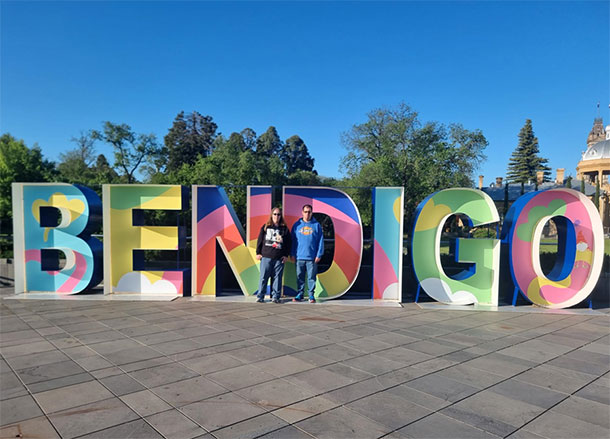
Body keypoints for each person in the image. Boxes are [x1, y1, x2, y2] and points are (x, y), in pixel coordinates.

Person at [255, 207, 291, 303]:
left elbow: (288, 243)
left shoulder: (284, 229)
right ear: (271, 215)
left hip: (279, 258)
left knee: (277, 279)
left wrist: (286, 255)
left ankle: (276, 297)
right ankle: (260, 296)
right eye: (275, 214)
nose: (276, 216)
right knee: (263, 277)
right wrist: (258, 253)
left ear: (281, 216)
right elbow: (260, 240)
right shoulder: (265, 227)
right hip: (266, 256)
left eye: (278, 214)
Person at [291, 204, 324, 303]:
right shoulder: (297, 225)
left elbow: (321, 241)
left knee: (311, 278)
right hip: (299, 256)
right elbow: (292, 241)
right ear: (302, 212)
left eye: (309, 212)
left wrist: (319, 254)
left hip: (312, 258)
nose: (307, 214)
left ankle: (311, 296)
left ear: (312, 212)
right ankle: (300, 294)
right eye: (305, 212)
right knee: (299, 277)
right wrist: (292, 254)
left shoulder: (316, 225)